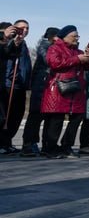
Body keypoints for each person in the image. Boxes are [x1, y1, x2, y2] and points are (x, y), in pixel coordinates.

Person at [41, 25, 89, 158]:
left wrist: (88, 57)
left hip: (75, 89)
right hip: (58, 88)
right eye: (74, 36)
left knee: (77, 117)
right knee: (56, 119)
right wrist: (77, 59)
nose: (77, 39)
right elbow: (55, 63)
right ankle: (50, 148)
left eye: (78, 36)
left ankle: (67, 146)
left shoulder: (78, 51)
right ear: (64, 37)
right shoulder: (55, 48)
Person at [20, 27, 58, 157]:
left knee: (47, 116)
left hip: (46, 84)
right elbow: (50, 61)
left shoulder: (50, 46)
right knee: (36, 115)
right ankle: (28, 144)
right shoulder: (45, 46)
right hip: (42, 84)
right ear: (52, 37)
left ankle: (43, 144)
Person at [0, 20, 32, 155]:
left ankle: (7, 142)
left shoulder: (23, 44)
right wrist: (4, 37)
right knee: (4, 117)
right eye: (20, 28)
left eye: (27, 28)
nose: (24, 31)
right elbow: (7, 54)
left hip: (21, 85)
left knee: (16, 116)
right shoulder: (6, 40)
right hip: (7, 83)